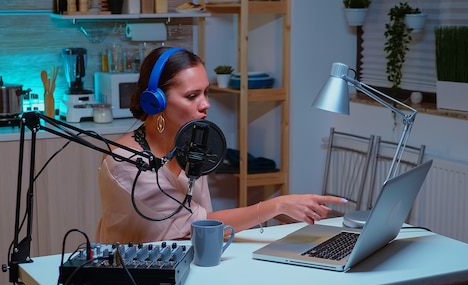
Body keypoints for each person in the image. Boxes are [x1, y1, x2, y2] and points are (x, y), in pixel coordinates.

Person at [95, 47, 347, 244]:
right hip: (137, 282)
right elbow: (195, 225)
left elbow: (200, 223)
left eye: (206, 92)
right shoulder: (126, 164)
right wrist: (276, 205)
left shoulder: (189, 144)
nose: (205, 104)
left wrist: (286, 212)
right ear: (155, 102)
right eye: (192, 96)